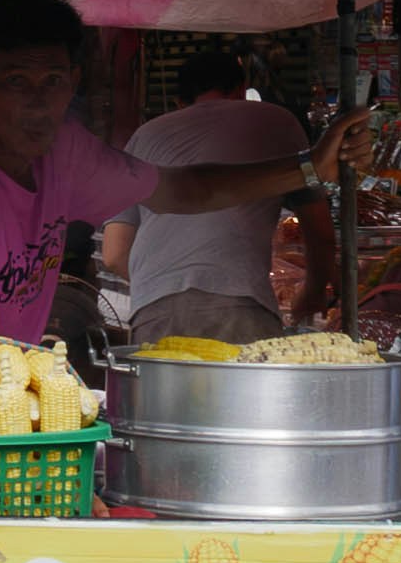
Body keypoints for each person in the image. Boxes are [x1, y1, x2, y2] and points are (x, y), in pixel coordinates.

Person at [0, 0, 375, 343]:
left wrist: (309, 168)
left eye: (53, 81)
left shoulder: (63, 149)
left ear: (74, 81)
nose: (38, 104)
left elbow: (180, 190)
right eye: (16, 82)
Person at [120, 50, 308, 343]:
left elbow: (113, 252)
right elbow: (318, 227)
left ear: (178, 103)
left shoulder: (143, 136)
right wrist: (316, 288)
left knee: (162, 391)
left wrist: (164, 284)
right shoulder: (277, 120)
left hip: (154, 308)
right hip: (240, 301)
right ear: (242, 90)